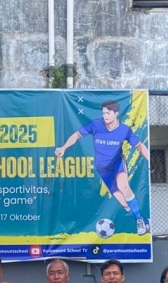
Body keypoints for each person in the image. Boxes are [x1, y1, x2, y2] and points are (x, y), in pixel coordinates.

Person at [54, 100, 151, 235]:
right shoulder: (96, 125)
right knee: (121, 200)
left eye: (108, 113)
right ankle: (144, 221)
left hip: (117, 163)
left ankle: (139, 221)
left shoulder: (124, 129)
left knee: (123, 186)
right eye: (104, 113)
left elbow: (140, 146)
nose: (105, 116)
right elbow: (76, 135)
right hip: (102, 168)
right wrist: (63, 148)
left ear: (116, 114)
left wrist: (150, 160)